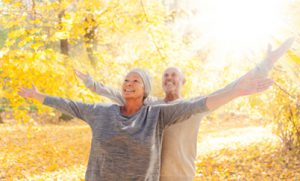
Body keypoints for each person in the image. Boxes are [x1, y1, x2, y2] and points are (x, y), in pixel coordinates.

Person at [74, 38, 294, 181]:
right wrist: (92, 84)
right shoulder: (151, 106)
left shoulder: (195, 107)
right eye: (165, 75)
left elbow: (232, 87)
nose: (169, 78)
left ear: (182, 81)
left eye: (174, 75)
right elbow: (119, 94)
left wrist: (267, 63)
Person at [19, 64, 272, 180]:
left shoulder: (158, 114)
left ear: (145, 90)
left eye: (135, 81)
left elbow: (201, 103)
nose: (129, 84)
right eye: (126, 81)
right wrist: (39, 96)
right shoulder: (102, 112)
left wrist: (238, 90)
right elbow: (72, 105)